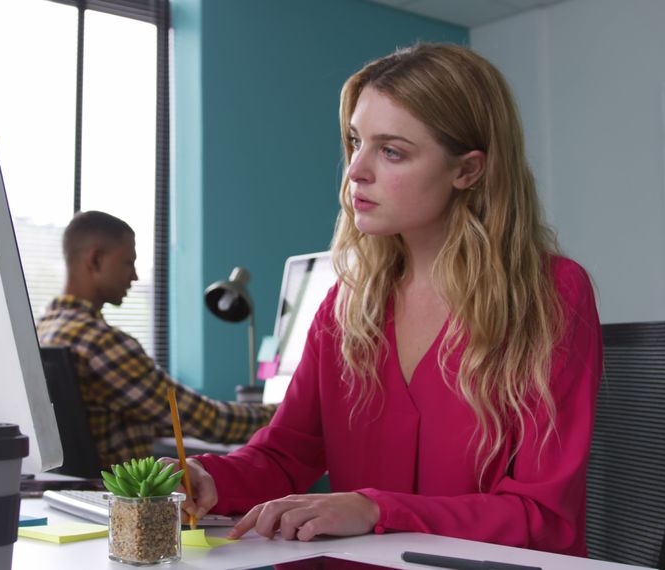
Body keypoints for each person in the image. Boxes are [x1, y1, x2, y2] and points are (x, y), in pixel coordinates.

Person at [170, 43, 602, 556]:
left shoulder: (551, 294)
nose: (355, 170)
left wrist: (376, 509)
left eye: (391, 151)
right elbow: (289, 454)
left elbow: (542, 516)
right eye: (356, 142)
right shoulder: (346, 306)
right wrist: (210, 477)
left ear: (467, 171)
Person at [36, 210, 276, 469]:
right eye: (128, 263)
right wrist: (286, 412)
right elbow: (208, 421)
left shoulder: (44, 331)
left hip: (72, 497)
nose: (135, 276)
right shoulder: (100, 343)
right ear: (95, 260)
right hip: (126, 500)